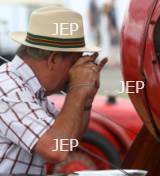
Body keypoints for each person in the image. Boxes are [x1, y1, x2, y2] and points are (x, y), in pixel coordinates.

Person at [0, 6, 107, 174]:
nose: (74, 73)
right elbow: (56, 150)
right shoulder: (6, 88)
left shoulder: (33, 92)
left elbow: (69, 142)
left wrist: (86, 99)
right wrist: (77, 91)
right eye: (74, 64)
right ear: (54, 59)